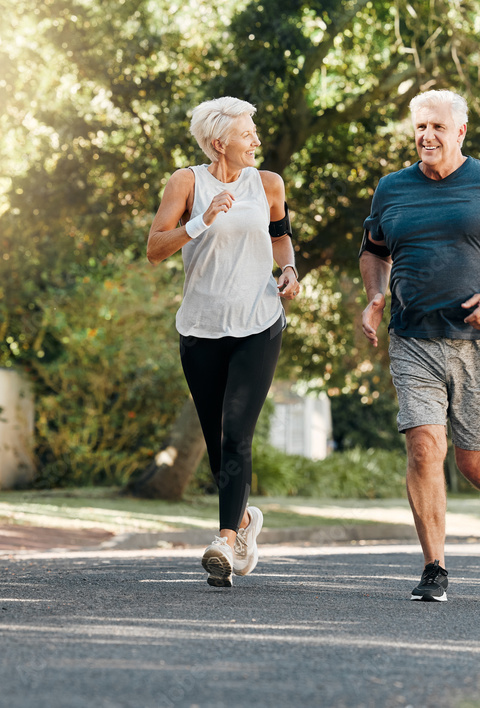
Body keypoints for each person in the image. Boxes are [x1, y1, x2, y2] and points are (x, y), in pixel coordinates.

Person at [359, 89, 480, 602]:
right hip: (413, 337)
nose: (427, 135)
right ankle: (434, 568)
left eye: (438, 127)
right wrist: (376, 295)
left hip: (479, 341)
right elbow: (374, 251)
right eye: (421, 127)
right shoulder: (391, 189)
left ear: (460, 132)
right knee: (424, 447)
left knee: (475, 463)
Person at [147, 96, 300, 587]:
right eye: (247, 133)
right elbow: (154, 248)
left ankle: (224, 540)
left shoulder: (269, 184)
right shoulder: (186, 182)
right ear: (220, 143)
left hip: (258, 323)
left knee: (236, 432)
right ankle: (245, 525)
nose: (256, 139)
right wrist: (202, 219)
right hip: (201, 328)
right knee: (217, 442)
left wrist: (290, 269)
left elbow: (280, 237)